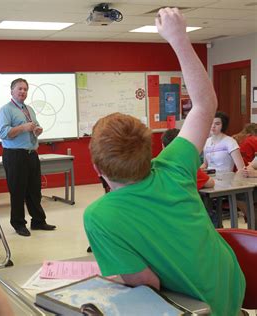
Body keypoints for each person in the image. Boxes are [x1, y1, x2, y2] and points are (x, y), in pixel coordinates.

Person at [83, 8, 244, 316]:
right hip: (231, 292)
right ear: (151, 148)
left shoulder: (99, 215)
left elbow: (147, 283)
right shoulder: (174, 165)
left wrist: (112, 277)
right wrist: (179, 39)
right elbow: (206, 104)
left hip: (197, 309)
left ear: (98, 170)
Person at [0, 78, 56, 236]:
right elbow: (3, 133)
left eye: (25, 89)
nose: (23, 91)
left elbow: (33, 126)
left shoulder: (28, 109)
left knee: (35, 190)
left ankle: (38, 221)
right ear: (12, 91)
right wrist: (23, 127)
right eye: (19, 89)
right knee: (18, 191)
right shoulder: (6, 110)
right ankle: (18, 224)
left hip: (31, 153)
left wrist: (37, 130)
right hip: (15, 154)